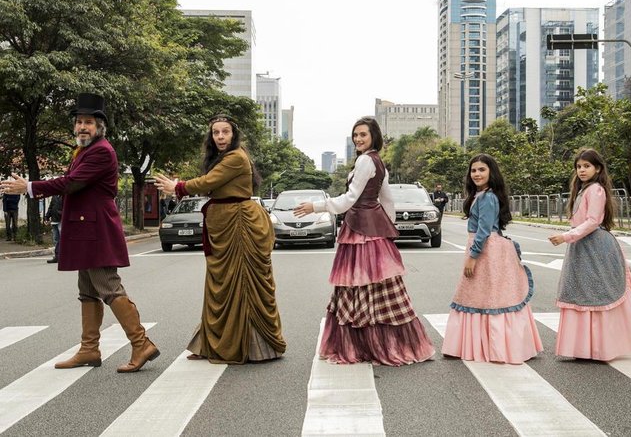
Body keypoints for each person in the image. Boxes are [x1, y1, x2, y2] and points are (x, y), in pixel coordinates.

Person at [0, 93, 159, 373]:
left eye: (88, 122)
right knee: (87, 291)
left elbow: (71, 183)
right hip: (86, 228)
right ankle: (89, 349)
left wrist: (30, 187)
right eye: (79, 122)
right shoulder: (84, 151)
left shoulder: (101, 151)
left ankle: (141, 343)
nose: (82, 127)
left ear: (100, 127)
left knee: (109, 288)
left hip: (96, 230)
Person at [293, 116, 434, 366]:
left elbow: (350, 199)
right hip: (373, 230)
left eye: (363, 135)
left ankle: (362, 344)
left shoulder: (365, 160)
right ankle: (389, 343)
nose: (358, 138)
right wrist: (387, 230)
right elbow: (387, 200)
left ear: (373, 137)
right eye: (355, 135)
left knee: (356, 287)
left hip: (360, 229)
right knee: (382, 291)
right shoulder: (379, 163)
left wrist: (315, 206)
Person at [155, 114, 286, 364]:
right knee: (221, 285)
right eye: (216, 133)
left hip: (240, 225)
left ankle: (253, 347)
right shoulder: (222, 158)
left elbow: (208, 182)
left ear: (234, 134)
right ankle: (210, 344)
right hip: (223, 224)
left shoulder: (236, 157)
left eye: (225, 132)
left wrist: (178, 186)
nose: (221, 137)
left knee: (242, 283)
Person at [548, 149, 631, 360]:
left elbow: (592, 221)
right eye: (579, 166)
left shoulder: (596, 189)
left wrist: (566, 236)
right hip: (581, 248)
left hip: (596, 248)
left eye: (586, 166)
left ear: (597, 169)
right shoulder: (582, 190)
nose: (581, 170)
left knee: (605, 294)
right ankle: (585, 348)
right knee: (582, 295)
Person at [442, 154, 543, 364]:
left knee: (490, 297)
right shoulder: (481, 195)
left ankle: (494, 348)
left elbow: (484, 231)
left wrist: (472, 256)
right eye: (473, 170)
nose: (477, 174)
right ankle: (489, 346)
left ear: (491, 173)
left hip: (487, 251)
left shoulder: (488, 197)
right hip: (486, 250)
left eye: (482, 170)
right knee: (482, 296)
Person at [44, 194, 63, 263]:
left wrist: (61, 213)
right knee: (56, 239)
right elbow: (50, 207)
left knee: (61, 239)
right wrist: (46, 217)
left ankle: (61, 256)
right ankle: (57, 256)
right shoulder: (54, 196)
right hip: (54, 220)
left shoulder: (65, 195)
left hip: (62, 220)